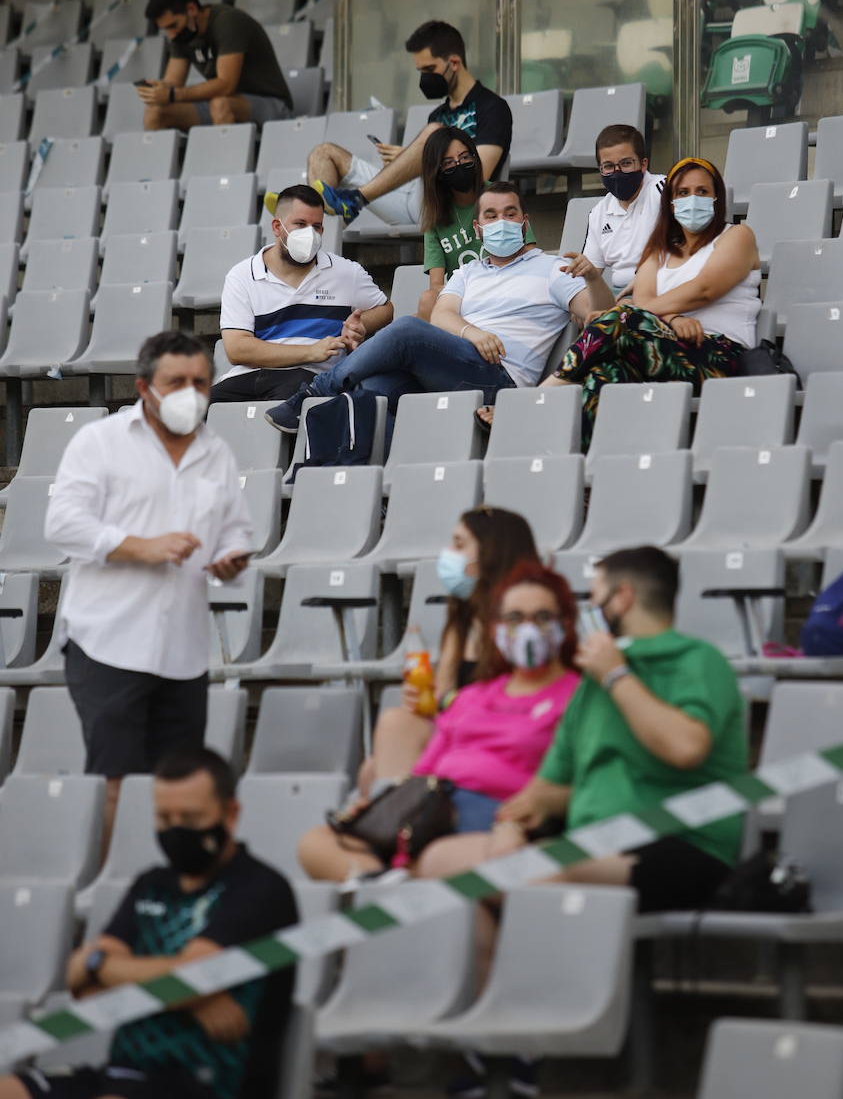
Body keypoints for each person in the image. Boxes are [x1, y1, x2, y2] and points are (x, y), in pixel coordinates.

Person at [44, 331, 253, 849]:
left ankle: (163, 883)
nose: (191, 393)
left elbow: (236, 531)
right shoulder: (100, 442)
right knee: (115, 783)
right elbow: (63, 524)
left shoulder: (217, 453)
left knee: (177, 790)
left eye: (200, 382)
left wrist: (231, 559)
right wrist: (141, 546)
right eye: (176, 382)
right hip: (107, 643)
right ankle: (107, 884)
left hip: (184, 652)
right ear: (144, 387)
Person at [0, 748, 299, 1099]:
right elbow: (79, 980)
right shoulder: (151, 884)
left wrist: (105, 967)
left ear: (230, 814)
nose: (176, 830)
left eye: (190, 818)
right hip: (121, 1072)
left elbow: (192, 977)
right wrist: (185, 995)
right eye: (164, 818)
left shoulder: (259, 889)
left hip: (205, 1081)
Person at [495, 546, 748, 908]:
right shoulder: (592, 681)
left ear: (622, 598)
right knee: (447, 866)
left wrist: (617, 675)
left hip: (681, 844)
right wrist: (510, 826)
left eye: (595, 596)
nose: (588, 610)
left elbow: (686, 748)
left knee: (530, 876)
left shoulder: (698, 660)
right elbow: (545, 787)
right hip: (592, 842)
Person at [296, 560, 580, 883]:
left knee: (437, 859)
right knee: (316, 843)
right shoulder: (472, 696)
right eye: (514, 618)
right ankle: (385, 883)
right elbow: (423, 773)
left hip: (497, 819)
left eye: (542, 617)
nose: (527, 629)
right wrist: (382, 807)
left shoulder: (577, 696)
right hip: (433, 811)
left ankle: (390, 886)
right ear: (495, 629)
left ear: (565, 624)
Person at [263, 182, 613, 437]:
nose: (501, 222)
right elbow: (442, 315)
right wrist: (474, 333)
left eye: (510, 214)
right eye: (491, 216)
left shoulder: (552, 268)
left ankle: (314, 392)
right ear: (478, 228)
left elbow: (598, 316)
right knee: (372, 390)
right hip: (455, 364)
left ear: (525, 223)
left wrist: (594, 279)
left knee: (407, 330)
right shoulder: (469, 271)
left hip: (500, 379)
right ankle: (379, 487)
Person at [544, 156, 760, 447]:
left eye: (702, 191)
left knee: (623, 317)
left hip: (720, 355)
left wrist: (627, 312)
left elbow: (704, 290)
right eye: (683, 193)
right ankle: (587, 466)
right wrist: (672, 318)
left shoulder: (737, 235)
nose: (692, 199)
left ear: (716, 198)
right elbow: (644, 300)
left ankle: (542, 396)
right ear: (670, 202)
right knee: (604, 375)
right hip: (663, 345)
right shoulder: (658, 249)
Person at [360, 506, 540, 796]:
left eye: (458, 544)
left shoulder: (525, 625)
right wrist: (425, 699)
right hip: (460, 735)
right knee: (371, 768)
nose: (447, 553)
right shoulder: (464, 618)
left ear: (490, 554)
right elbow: (442, 699)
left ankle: (398, 820)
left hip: (502, 739)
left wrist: (446, 705)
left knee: (396, 728)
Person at [307, 20, 513, 227]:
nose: (425, 78)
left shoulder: (492, 107)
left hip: (453, 206)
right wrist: (406, 160)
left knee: (434, 133)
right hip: (416, 198)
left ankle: (356, 199)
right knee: (323, 154)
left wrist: (423, 159)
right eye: (421, 71)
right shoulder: (437, 114)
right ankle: (310, 223)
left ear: (454, 63)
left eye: (430, 69)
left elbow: (478, 176)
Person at [212, 182, 393, 404]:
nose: (310, 234)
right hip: (247, 377)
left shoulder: (346, 272)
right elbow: (237, 349)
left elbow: (385, 309)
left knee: (282, 408)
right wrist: (310, 351)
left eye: (316, 226)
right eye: (300, 224)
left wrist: (361, 324)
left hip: (310, 378)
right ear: (277, 227)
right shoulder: (241, 275)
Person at [137, 0, 292, 130]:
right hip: (222, 103)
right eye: (166, 29)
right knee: (155, 112)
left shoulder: (228, 22)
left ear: (191, 9)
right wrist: (159, 91)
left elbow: (226, 85)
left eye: (173, 26)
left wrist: (173, 94)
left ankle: (226, 149)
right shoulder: (181, 34)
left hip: (271, 104)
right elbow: (173, 83)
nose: (171, 35)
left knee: (221, 104)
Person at [417, 128, 538, 322]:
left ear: (475, 157)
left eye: (465, 157)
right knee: (427, 300)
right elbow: (436, 285)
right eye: (448, 163)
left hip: (507, 285)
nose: (459, 165)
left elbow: (531, 256)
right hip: (465, 297)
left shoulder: (499, 197)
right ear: (436, 172)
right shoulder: (435, 217)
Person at [564, 123, 666, 297]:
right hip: (620, 297)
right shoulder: (598, 213)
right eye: (608, 166)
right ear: (600, 169)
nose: (617, 172)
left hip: (662, 288)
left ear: (643, 164)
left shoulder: (664, 191)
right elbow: (592, 272)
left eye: (626, 163)